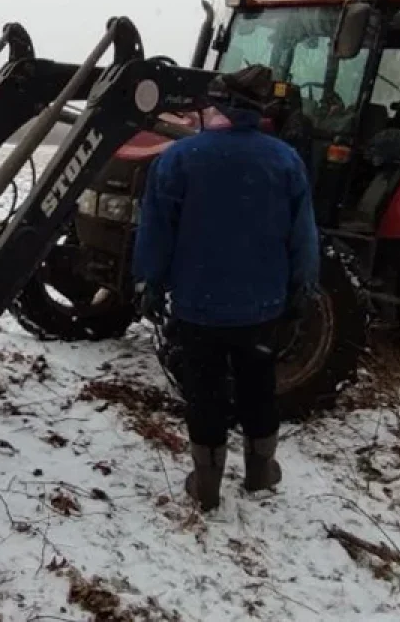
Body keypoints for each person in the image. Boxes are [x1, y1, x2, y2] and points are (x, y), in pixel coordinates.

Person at [132, 64, 320, 512]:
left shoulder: (178, 159)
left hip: (199, 307)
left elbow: (156, 232)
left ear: (216, 105)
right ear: (259, 110)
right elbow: (303, 235)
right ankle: (260, 472)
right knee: (258, 387)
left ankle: (207, 481)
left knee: (207, 392)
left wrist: (150, 282)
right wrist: (302, 286)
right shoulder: (284, 160)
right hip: (261, 306)